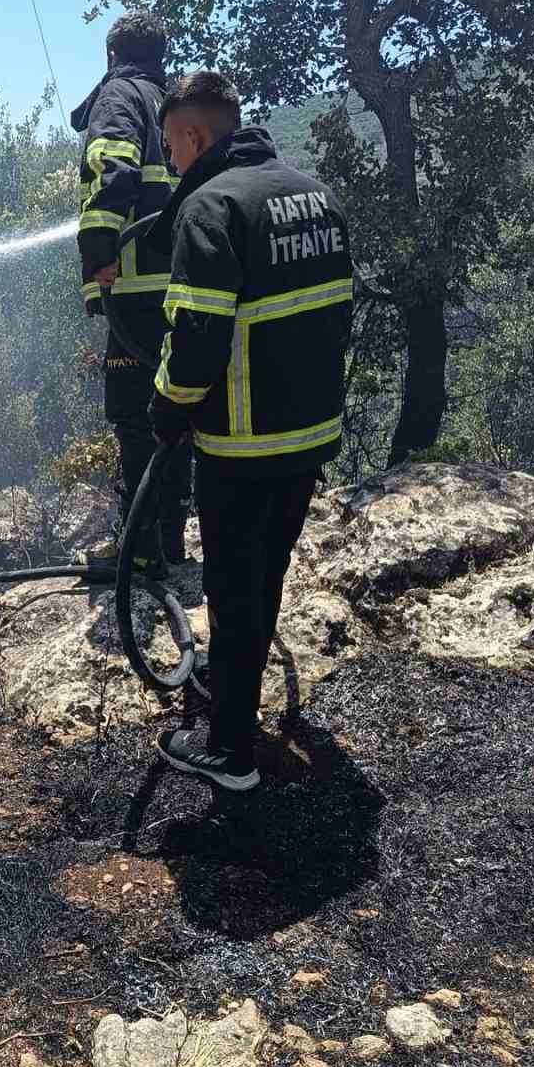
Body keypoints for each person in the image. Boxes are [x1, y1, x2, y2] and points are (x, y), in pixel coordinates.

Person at [147, 71, 353, 792]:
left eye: (171, 145)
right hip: (309, 433)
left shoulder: (210, 207)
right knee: (263, 579)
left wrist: (167, 405)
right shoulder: (312, 193)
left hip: (242, 442)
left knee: (234, 591)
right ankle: (234, 685)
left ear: (195, 135)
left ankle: (231, 750)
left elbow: (198, 335)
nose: (170, 160)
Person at [73, 10, 192, 571]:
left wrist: (98, 253)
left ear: (112, 54)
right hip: (183, 289)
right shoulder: (171, 107)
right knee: (175, 413)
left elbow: (114, 170)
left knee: (135, 419)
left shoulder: (118, 98)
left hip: (138, 291)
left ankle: (141, 549)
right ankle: (170, 541)